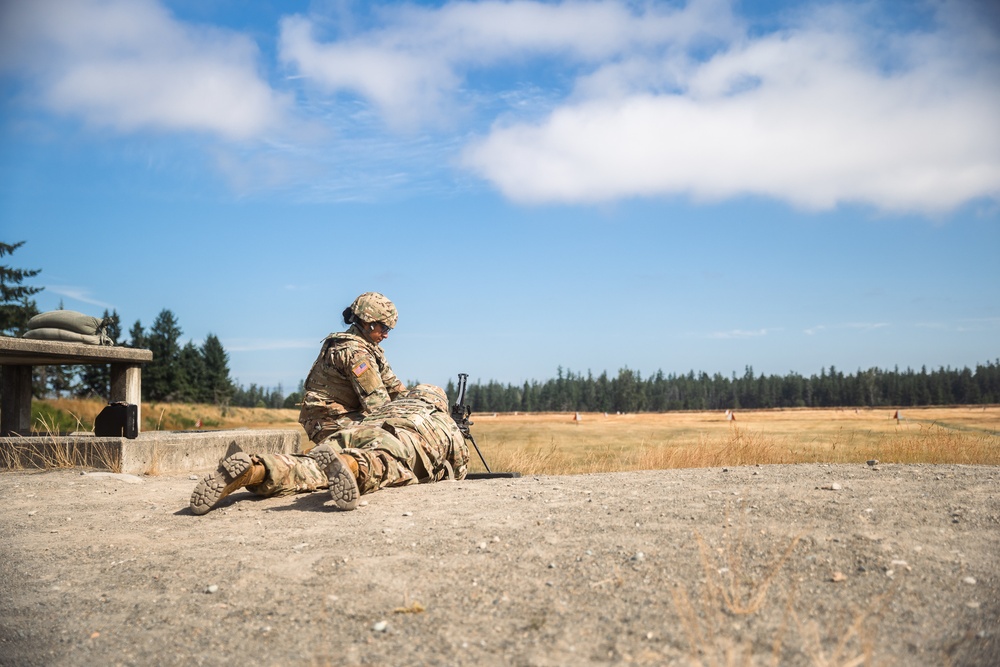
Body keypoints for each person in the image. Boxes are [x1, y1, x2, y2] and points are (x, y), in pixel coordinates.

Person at [189, 384, 469, 515]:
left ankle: (255, 470)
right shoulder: (439, 418)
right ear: (439, 402)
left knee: (307, 467)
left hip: (352, 430)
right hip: (395, 440)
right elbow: (459, 468)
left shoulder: (391, 406)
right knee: (380, 464)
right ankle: (349, 465)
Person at [298, 291, 406, 445]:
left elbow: (395, 388)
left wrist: (418, 407)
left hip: (347, 415)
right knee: (387, 442)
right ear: (369, 323)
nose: (386, 335)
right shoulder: (356, 353)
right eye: (384, 328)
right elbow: (378, 405)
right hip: (326, 420)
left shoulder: (369, 348)